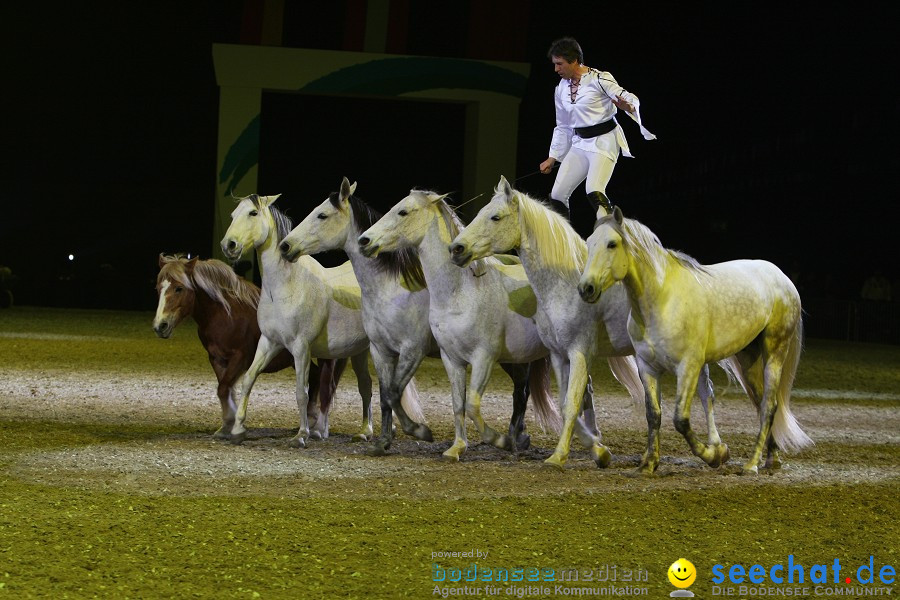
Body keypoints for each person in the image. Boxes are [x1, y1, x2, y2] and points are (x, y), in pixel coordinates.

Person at [539, 37, 656, 238]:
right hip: (580, 144)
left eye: (559, 64)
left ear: (573, 60)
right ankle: (566, 242)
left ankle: (610, 238)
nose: (556, 69)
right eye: (555, 64)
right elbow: (564, 126)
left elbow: (624, 95)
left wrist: (627, 106)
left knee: (593, 189)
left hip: (604, 142)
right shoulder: (560, 89)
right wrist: (553, 157)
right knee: (557, 195)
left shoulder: (599, 78)